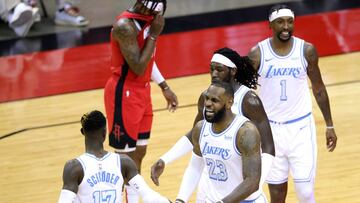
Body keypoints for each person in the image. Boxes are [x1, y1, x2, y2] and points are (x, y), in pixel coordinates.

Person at [150, 47, 274, 201]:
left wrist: (254, 184)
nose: (214, 74)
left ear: (232, 71)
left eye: (219, 70)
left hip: (242, 185)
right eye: (212, 69)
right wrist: (166, 159)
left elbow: (268, 149)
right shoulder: (206, 97)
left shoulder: (249, 100)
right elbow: (194, 136)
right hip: (213, 183)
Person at [247, 4, 338, 203]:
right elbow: (241, 91)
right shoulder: (257, 53)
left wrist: (329, 124)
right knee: (277, 194)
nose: (286, 26)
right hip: (269, 132)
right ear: (270, 25)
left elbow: (319, 88)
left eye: (290, 22)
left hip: (301, 129)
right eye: (280, 22)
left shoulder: (306, 50)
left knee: (305, 192)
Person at [104, 0, 178, 202]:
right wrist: (154, 34)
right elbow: (137, 66)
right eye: (149, 10)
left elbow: (149, 59)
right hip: (124, 93)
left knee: (140, 152)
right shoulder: (124, 26)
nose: (151, 14)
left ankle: (132, 198)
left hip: (143, 92)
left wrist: (164, 86)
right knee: (124, 157)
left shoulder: (148, 20)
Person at [175, 81, 264, 203]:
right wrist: (180, 200)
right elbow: (195, 168)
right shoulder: (200, 128)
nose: (207, 104)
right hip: (214, 199)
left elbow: (252, 182)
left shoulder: (245, 132)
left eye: (214, 100)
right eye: (207, 98)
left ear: (229, 103)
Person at [57, 110, 170, 203]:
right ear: (105, 133)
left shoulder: (74, 167)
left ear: (82, 132)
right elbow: (149, 196)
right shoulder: (124, 162)